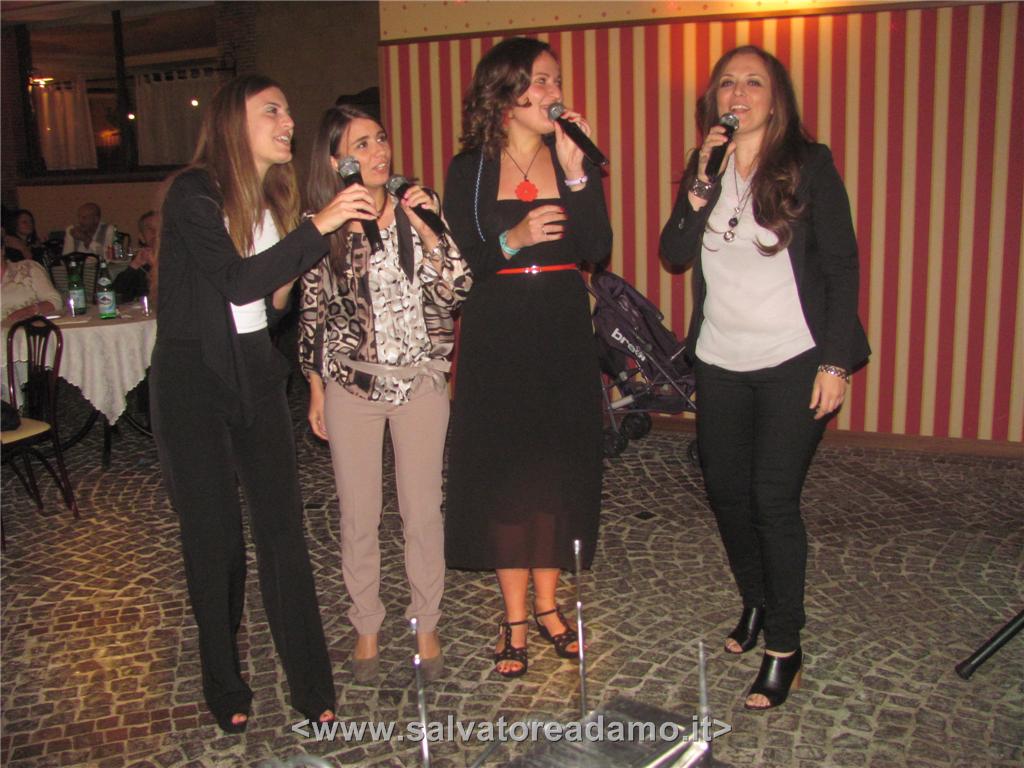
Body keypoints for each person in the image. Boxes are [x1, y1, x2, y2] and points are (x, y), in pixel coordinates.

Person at [660, 46, 870, 710]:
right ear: (714, 99)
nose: (739, 93)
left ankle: (785, 644)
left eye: (754, 82)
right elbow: (673, 253)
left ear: (776, 99)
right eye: (728, 83)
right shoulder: (709, 166)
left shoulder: (809, 164)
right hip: (720, 360)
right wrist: (696, 188)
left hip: (794, 360)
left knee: (772, 500)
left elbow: (841, 264)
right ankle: (755, 599)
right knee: (727, 494)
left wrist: (835, 362)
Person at [150, 75, 357, 733]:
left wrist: (299, 254)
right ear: (231, 122)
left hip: (255, 373)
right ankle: (223, 681)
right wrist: (318, 228)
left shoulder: (274, 202)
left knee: (282, 534)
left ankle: (310, 684)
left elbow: (268, 305)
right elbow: (236, 282)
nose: (288, 120)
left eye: (289, 110)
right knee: (214, 541)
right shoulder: (193, 192)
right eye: (272, 110)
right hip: (192, 380)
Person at [443, 37, 611, 678]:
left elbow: (597, 245)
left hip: (562, 326)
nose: (554, 92)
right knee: (508, 469)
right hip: (499, 329)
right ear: (505, 93)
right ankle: (513, 618)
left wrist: (578, 175)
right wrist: (513, 238)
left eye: (557, 80)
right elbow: (462, 261)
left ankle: (548, 607)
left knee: (556, 465)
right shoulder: (471, 168)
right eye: (540, 81)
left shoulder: (571, 158)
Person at [298, 104, 471, 684]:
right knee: (359, 515)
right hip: (353, 384)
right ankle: (366, 625)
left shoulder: (418, 207)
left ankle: (427, 621)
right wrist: (315, 386)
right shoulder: (324, 225)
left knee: (422, 512)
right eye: (362, 145)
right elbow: (314, 313)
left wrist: (427, 227)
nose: (379, 153)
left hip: (420, 383)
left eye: (381, 139)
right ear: (336, 162)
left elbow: (458, 290)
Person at [1, 227, 62, 323]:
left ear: (2, 250)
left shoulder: (28, 268)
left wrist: (26, 312)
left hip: (26, 329)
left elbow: (55, 302)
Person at [112, 211, 158, 302]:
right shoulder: (143, 262)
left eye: (159, 228)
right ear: (142, 237)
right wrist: (134, 265)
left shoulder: (179, 259)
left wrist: (155, 265)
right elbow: (115, 293)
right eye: (150, 229)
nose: (155, 233)